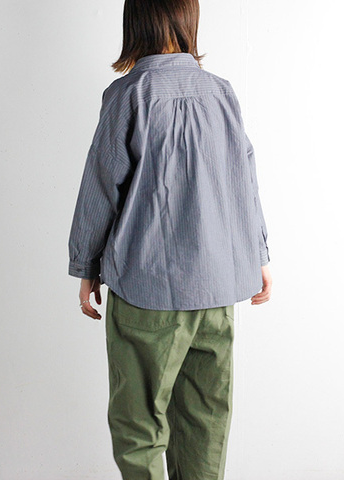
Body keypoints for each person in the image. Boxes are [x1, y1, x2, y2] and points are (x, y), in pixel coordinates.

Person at [67, 0, 272, 478]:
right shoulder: (221, 92)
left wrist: (85, 266)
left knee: (138, 425)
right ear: (187, 21)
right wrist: (258, 255)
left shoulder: (129, 94)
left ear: (135, 23)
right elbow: (243, 177)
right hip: (217, 288)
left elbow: (102, 185)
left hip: (148, 289)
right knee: (204, 422)